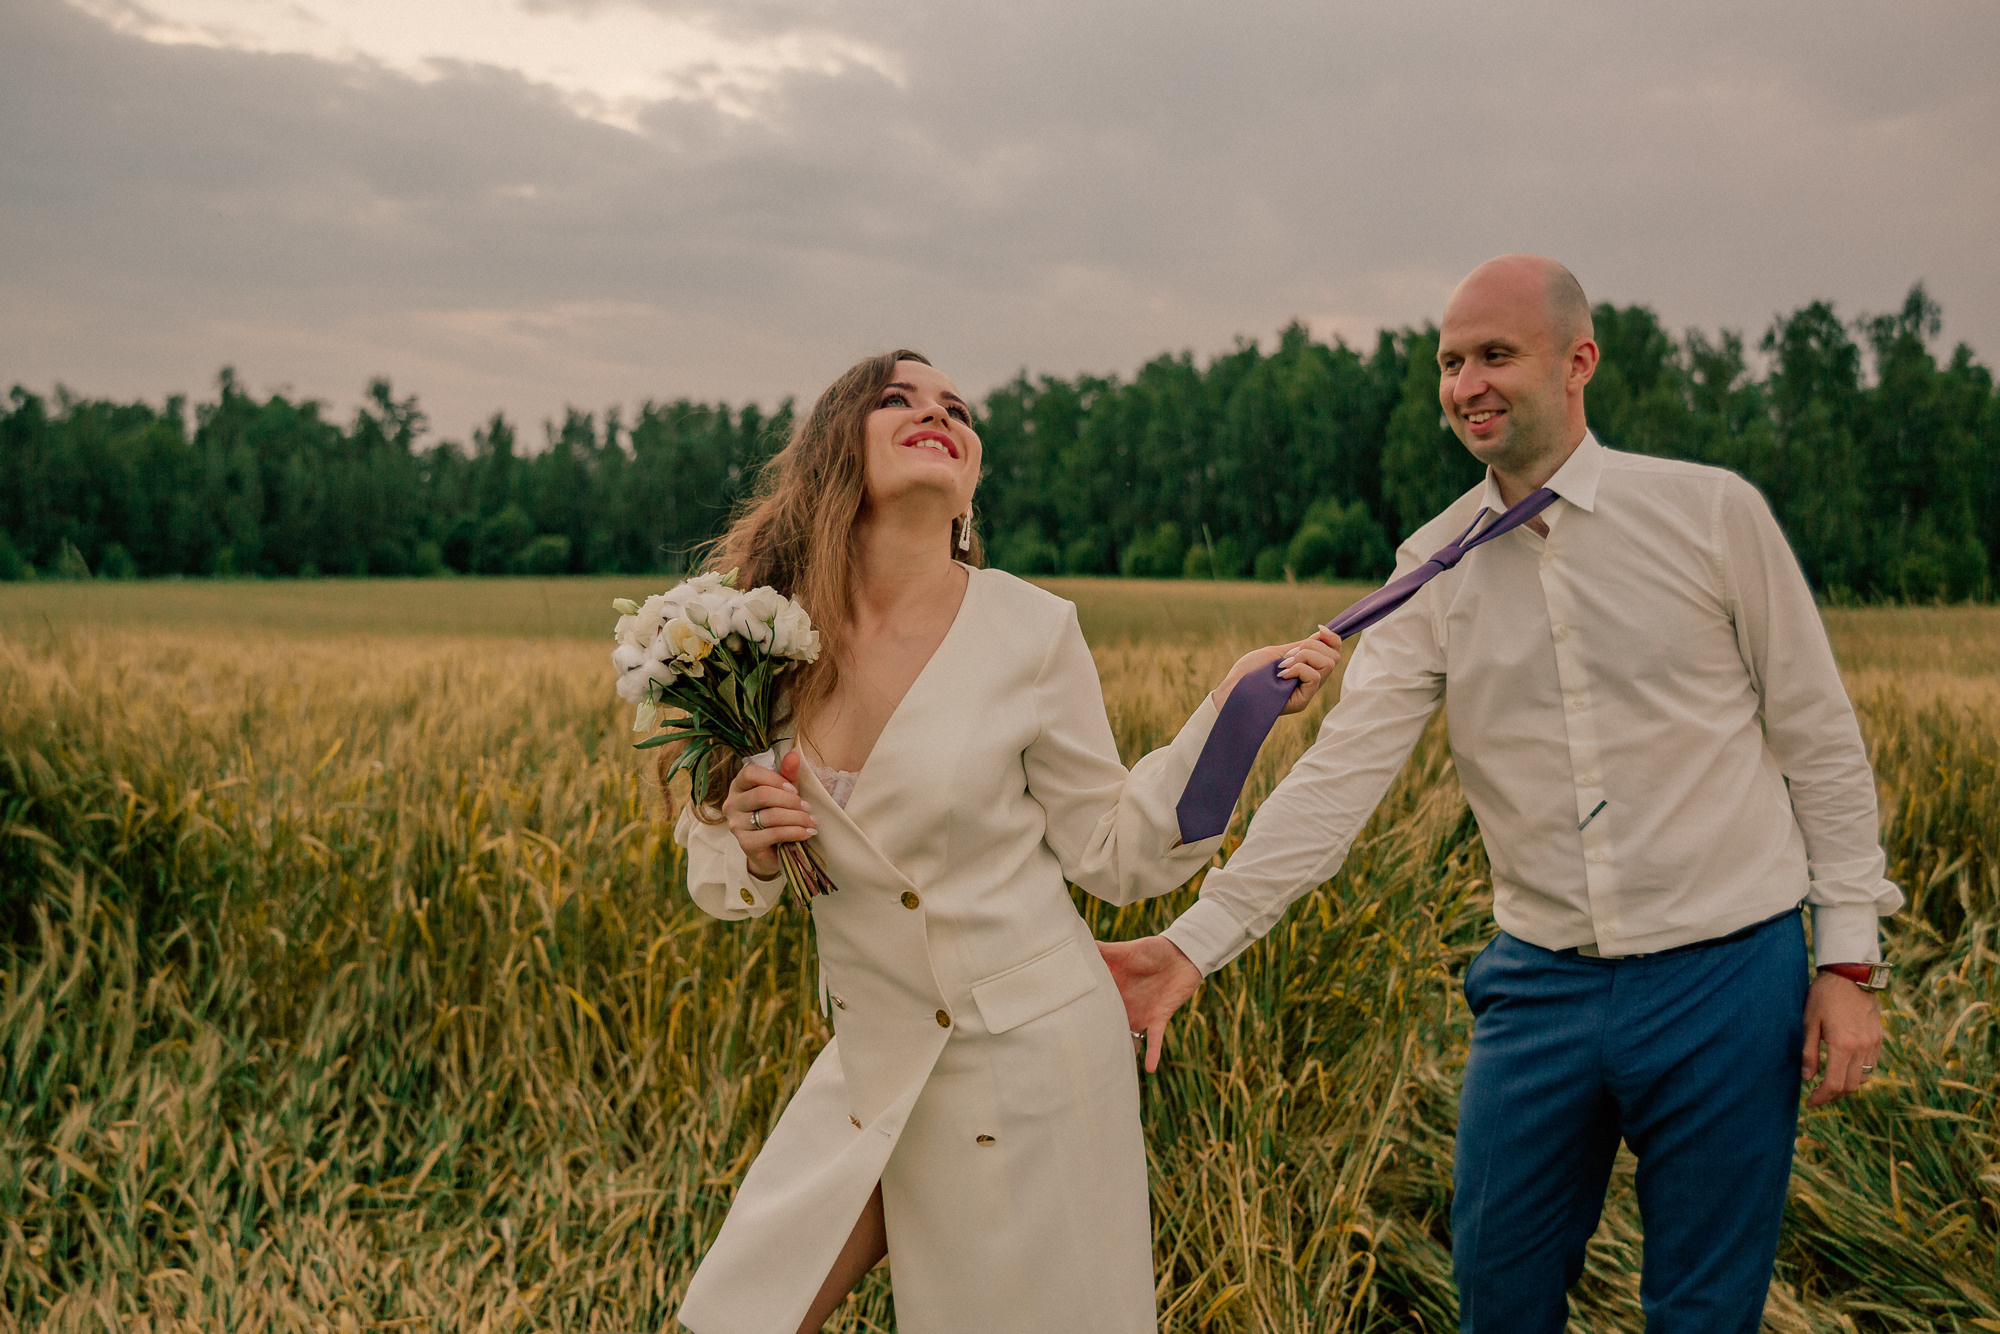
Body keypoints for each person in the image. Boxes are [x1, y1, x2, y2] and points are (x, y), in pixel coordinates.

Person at [1101, 255, 1904, 1333]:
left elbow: (1819, 741)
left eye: (1492, 354)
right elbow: (1338, 780)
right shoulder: (1430, 565)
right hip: (1537, 988)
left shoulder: (1711, 516)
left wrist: (1846, 959)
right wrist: (1192, 946)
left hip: (1726, 975)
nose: (1464, 383)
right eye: (1446, 362)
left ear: (1578, 361)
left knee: (1702, 1311)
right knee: (1495, 1293)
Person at [669, 348, 1342, 1334]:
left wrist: (1233, 716)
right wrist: (749, 842)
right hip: (872, 1060)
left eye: (956, 407)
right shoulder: (761, 639)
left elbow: (1119, 852)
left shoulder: (1028, 629)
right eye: (896, 398)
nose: (937, 412)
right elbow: (727, 857)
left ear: (969, 479)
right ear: (831, 451)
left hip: (1026, 1064)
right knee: (735, 1315)